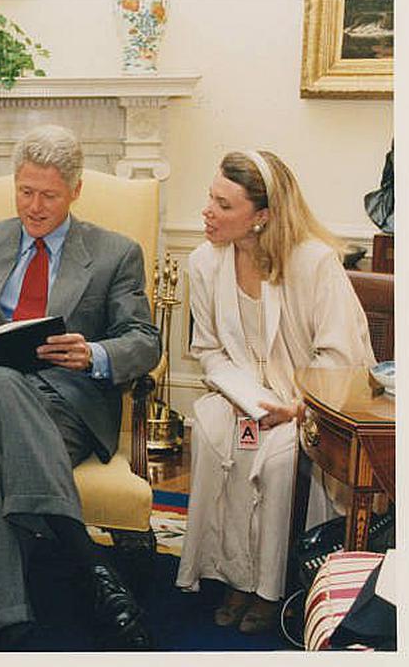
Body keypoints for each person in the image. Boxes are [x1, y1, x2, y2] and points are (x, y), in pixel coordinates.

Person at [0, 124, 160, 650]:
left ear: (75, 190)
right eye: (25, 191)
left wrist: (93, 353)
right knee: (0, 376)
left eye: (48, 194)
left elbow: (144, 340)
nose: (34, 206)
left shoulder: (116, 253)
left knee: (5, 462)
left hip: (64, 408)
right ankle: (86, 560)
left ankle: (4, 623)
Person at [175, 150, 375, 634]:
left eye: (223, 205)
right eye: (210, 198)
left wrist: (293, 407)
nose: (207, 211)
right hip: (239, 394)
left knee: (282, 452)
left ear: (261, 217)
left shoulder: (314, 262)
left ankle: (273, 586)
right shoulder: (204, 262)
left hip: (312, 403)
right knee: (214, 431)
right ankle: (231, 576)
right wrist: (241, 393)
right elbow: (207, 349)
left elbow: (340, 358)